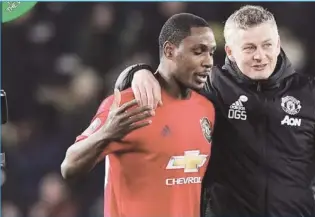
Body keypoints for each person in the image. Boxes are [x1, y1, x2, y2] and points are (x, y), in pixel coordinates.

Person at [115, 5, 315, 217]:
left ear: (278, 44)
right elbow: (149, 82)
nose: (260, 56)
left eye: (267, 45)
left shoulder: (311, 92)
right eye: (249, 47)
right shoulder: (210, 86)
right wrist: (137, 73)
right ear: (229, 52)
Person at [61, 13, 216, 217]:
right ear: (169, 50)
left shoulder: (206, 109)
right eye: (198, 52)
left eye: (211, 53)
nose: (208, 62)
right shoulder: (128, 103)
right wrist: (106, 133)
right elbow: (69, 167)